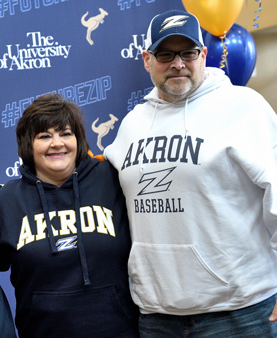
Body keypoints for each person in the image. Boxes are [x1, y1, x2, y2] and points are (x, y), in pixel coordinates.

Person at [104, 9, 277, 337]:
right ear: (146, 59)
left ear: (204, 55)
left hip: (239, 313)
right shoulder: (133, 124)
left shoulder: (245, 108)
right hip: (157, 317)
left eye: (188, 53)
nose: (178, 63)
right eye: (165, 54)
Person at [0, 93, 139, 337]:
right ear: (28, 145)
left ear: (78, 140)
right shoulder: (7, 200)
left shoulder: (112, 180)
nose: (57, 143)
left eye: (66, 133)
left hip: (118, 331)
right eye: (44, 136)